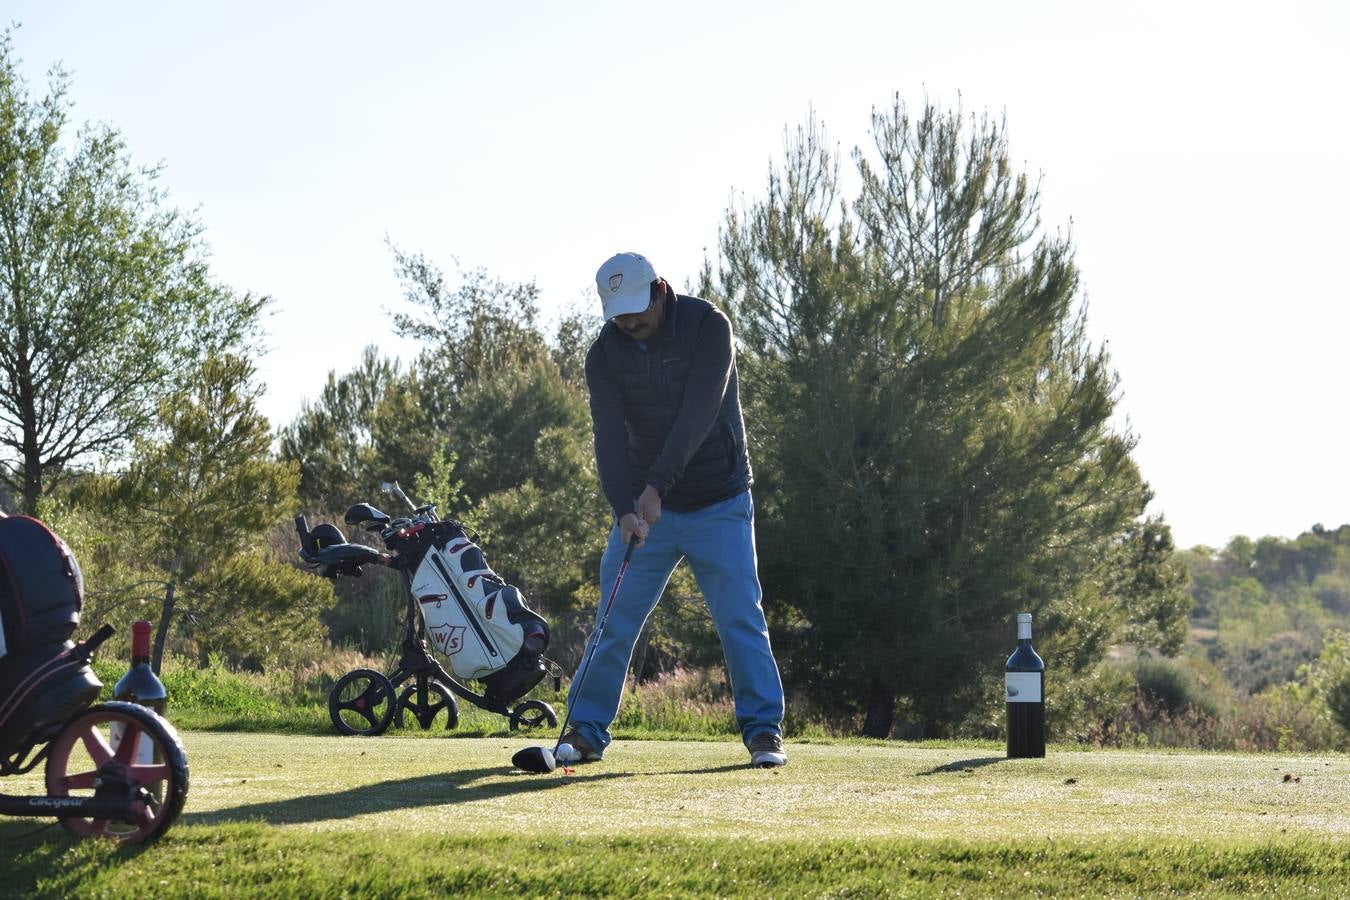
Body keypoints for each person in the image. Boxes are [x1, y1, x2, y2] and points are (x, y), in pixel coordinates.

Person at [556, 251, 787, 768]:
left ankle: (763, 731)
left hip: (719, 499)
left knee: (739, 618)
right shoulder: (605, 355)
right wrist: (623, 508)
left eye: (637, 310)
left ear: (661, 291)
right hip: (643, 509)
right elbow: (609, 439)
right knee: (613, 619)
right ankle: (585, 731)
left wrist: (656, 485)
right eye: (619, 315)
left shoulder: (709, 327)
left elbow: (699, 412)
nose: (630, 323)